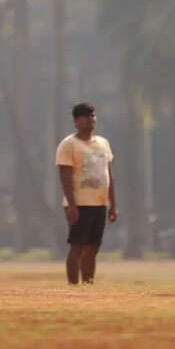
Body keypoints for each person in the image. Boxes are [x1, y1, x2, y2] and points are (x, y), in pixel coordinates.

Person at [56, 102, 118, 285]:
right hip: (79, 203)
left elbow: (109, 175)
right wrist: (72, 204)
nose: (90, 119)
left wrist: (113, 204)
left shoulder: (103, 143)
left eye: (92, 115)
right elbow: (65, 176)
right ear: (76, 121)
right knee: (77, 246)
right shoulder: (69, 145)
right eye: (85, 116)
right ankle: (73, 286)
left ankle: (88, 282)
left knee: (93, 247)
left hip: (99, 203)